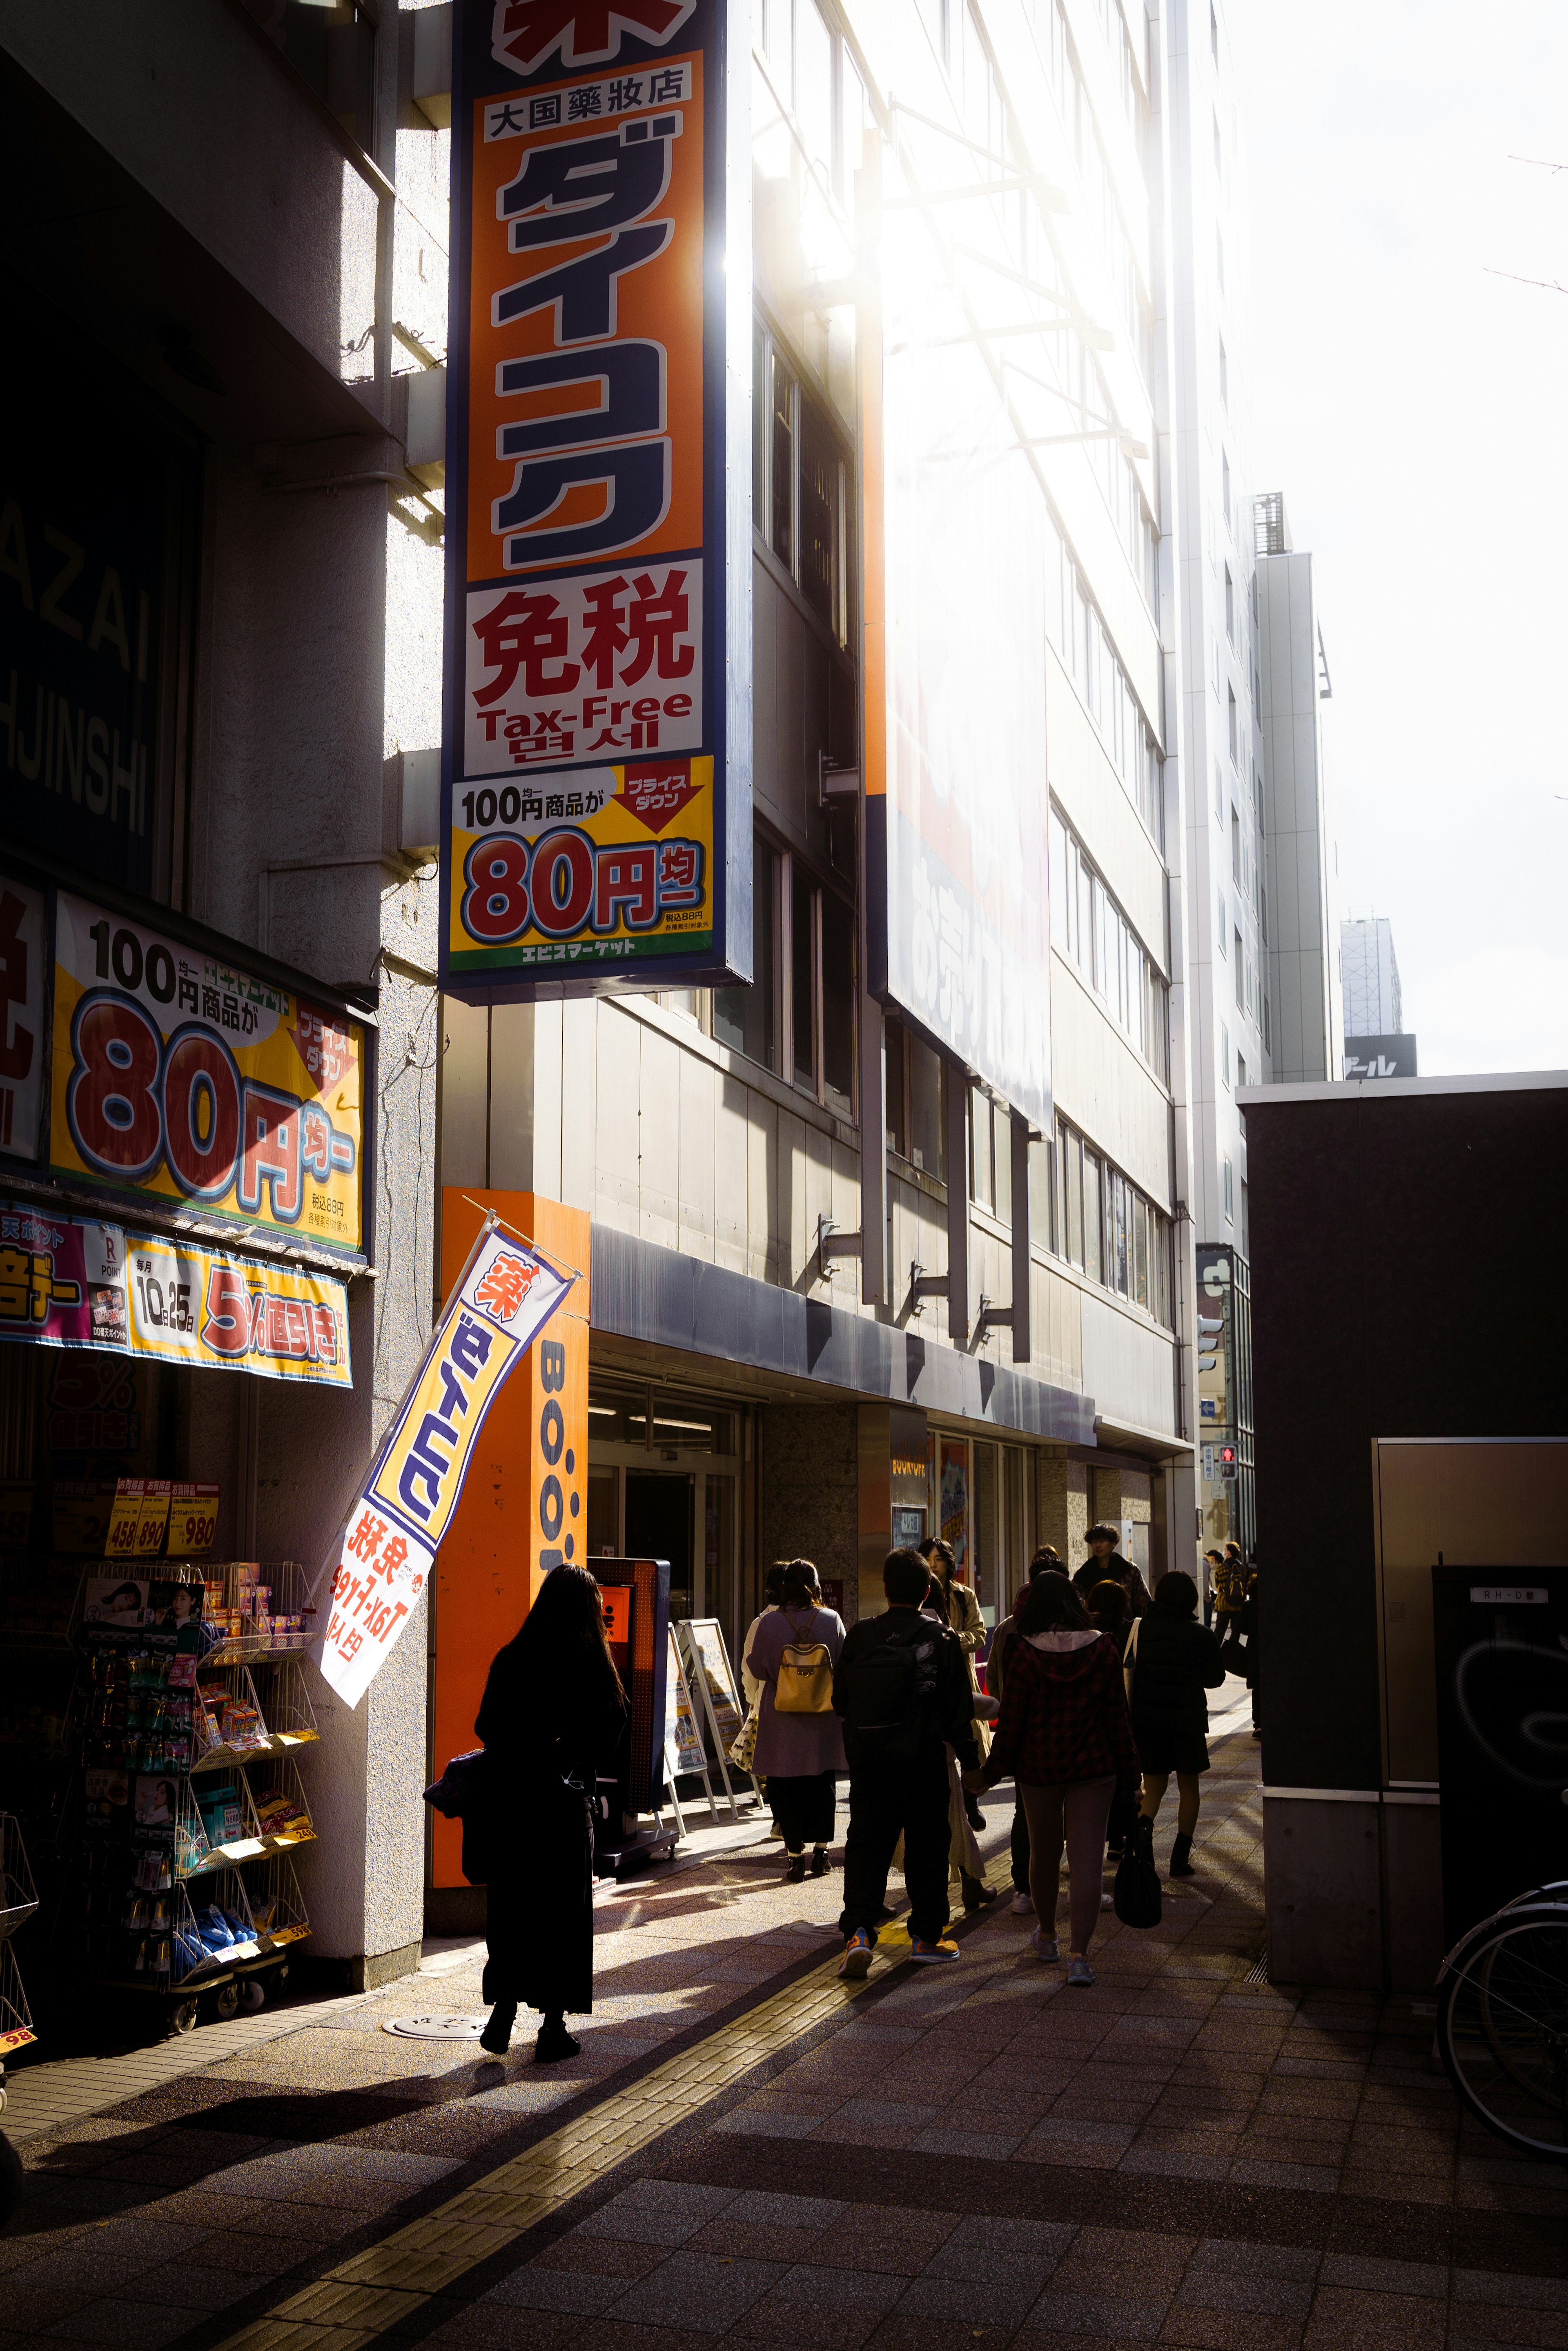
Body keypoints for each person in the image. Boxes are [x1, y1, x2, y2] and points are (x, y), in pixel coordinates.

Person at [471, 1564, 627, 2061]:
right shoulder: (591, 1664)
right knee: (563, 1916)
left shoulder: (513, 1657)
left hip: (515, 1807)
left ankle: (503, 2011)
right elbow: (614, 1728)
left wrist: (524, 1746)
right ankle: (552, 2028)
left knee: (514, 1908)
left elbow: (485, 1725)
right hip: (564, 1809)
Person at [966, 1572, 1139, 1987]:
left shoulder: (1022, 1652)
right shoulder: (1104, 1647)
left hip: (1040, 1767)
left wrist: (988, 1775)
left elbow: (1011, 1723)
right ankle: (1080, 1956)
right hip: (1094, 1768)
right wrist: (1132, 1775)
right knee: (1086, 1862)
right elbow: (1119, 1719)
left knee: (1043, 1854)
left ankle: (1047, 1936)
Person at [833, 1547, 980, 1974]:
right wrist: (972, 1767)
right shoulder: (942, 1639)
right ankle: (926, 1938)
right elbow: (958, 1713)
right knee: (927, 1848)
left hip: (870, 1763)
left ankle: (859, 1933)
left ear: (884, 1589)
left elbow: (840, 1700)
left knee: (866, 1847)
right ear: (927, 1591)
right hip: (923, 1762)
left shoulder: (861, 1636)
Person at [746, 1559, 846, 1881]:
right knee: (822, 1783)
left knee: (785, 1785)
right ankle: (822, 1853)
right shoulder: (832, 1620)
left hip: (782, 1718)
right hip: (823, 1716)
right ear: (816, 1587)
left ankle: (794, 1859)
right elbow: (844, 1665)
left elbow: (757, 1670)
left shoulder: (770, 1623)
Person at [1128, 1568, 1227, 1877]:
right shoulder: (1201, 1635)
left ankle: (1143, 1836)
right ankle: (1179, 1859)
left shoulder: (1140, 1630)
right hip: (1187, 1722)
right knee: (1189, 1787)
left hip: (1148, 1720)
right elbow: (1216, 1679)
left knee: (1154, 1786)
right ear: (1191, 1599)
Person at [988, 1550, 1067, 1916]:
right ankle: (1076, 1886)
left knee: (1026, 1814)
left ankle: (1024, 1889)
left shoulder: (1007, 1627)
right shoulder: (1072, 1631)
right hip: (1068, 1737)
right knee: (1072, 1815)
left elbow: (991, 1678)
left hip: (1020, 1736)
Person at [921, 1538, 989, 1832]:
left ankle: (971, 1802)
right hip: (927, 1678)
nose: (933, 1565)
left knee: (968, 1738)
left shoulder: (963, 1596)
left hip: (961, 1676)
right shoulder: (916, 1594)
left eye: (938, 1559)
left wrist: (951, 1641)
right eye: (928, 1559)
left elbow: (980, 1634)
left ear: (949, 1562)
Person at [739, 1563, 789, 1837]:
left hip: (768, 1706)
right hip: (808, 1708)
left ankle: (780, 1820)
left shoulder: (761, 1624)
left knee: (775, 1767)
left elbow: (750, 1670)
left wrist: (752, 1701)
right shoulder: (811, 1620)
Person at [1071, 1525, 1152, 1616]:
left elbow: (1143, 1602)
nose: (1098, 1545)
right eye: (1094, 1542)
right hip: (1094, 1625)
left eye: (1102, 1541)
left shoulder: (1129, 1570)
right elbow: (1076, 1602)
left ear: (1114, 1543)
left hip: (1126, 1624)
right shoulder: (1084, 1572)